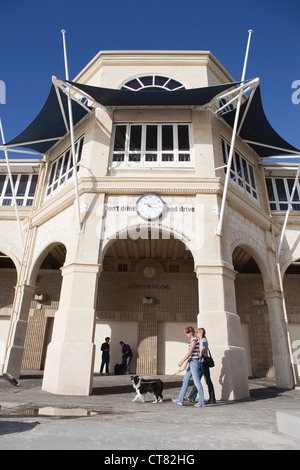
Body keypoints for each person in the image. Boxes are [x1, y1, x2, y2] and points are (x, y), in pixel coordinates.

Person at [172, 326, 206, 407]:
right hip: (191, 362)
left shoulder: (194, 340)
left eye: (187, 332)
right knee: (185, 380)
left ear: (191, 333)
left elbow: (190, 352)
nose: (186, 334)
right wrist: (186, 363)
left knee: (197, 381)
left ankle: (202, 401)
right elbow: (191, 354)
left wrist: (182, 361)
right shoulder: (191, 341)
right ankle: (180, 399)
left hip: (194, 362)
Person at [187, 328, 216, 404]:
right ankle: (191, 397)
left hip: (203, 363)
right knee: (198, 380)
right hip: (202, 363)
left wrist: (199, 357)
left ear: (201, 333)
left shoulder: (203, 340)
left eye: (198, 332)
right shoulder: (202, 340)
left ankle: (212, 398)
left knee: (207, 381)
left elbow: (202, 350)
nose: (197, 333)